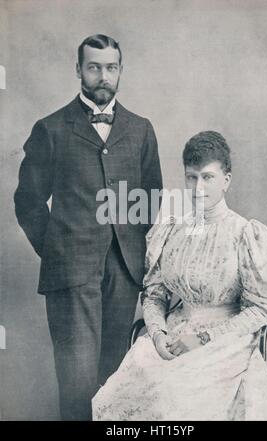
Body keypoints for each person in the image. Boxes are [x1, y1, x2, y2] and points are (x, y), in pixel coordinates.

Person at [92, 130, 267, 420]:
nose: (198, 187)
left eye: (208, 177)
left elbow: (262, 310)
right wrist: (157, 333)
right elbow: (154, 294)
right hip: (174, 335)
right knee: (117, 398)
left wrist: (203, 339)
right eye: (191, 177)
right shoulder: (172, 231)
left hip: (228, 341)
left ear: (226, 180)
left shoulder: (245, 234)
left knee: (176, 399)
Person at [14, 34, 163, 421]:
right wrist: (57, 249)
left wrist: (137, 251)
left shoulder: (141, 129)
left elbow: (152, 198)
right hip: (70, 275)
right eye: (94, 67)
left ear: (120, 71)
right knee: (79, 386)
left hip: (125, 271)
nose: (103, 76)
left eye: (110, 68)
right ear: (78, 69)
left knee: (116, 384)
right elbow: (27, 201)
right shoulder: (51, 129)